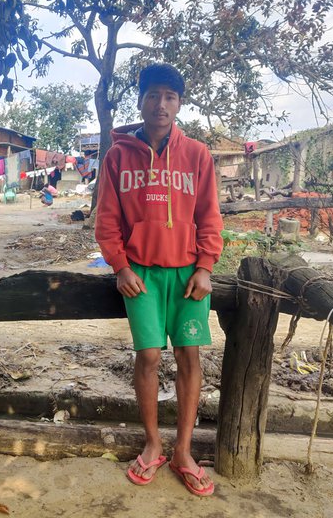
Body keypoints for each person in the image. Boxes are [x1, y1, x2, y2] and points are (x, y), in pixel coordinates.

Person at [95, 64, 223, 497]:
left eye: (170, 96)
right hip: (141, 276)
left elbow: (209, 217)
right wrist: (120, 266)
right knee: (148, 356)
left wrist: (206, 267)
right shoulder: (117, 156)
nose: (161, 104)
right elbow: (107, 221)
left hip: (189, 275)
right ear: (140, 101)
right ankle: (153, 445)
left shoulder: (198, 155)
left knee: (189, 355)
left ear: (179, 103)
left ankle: (183, 450)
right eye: (153, 95)